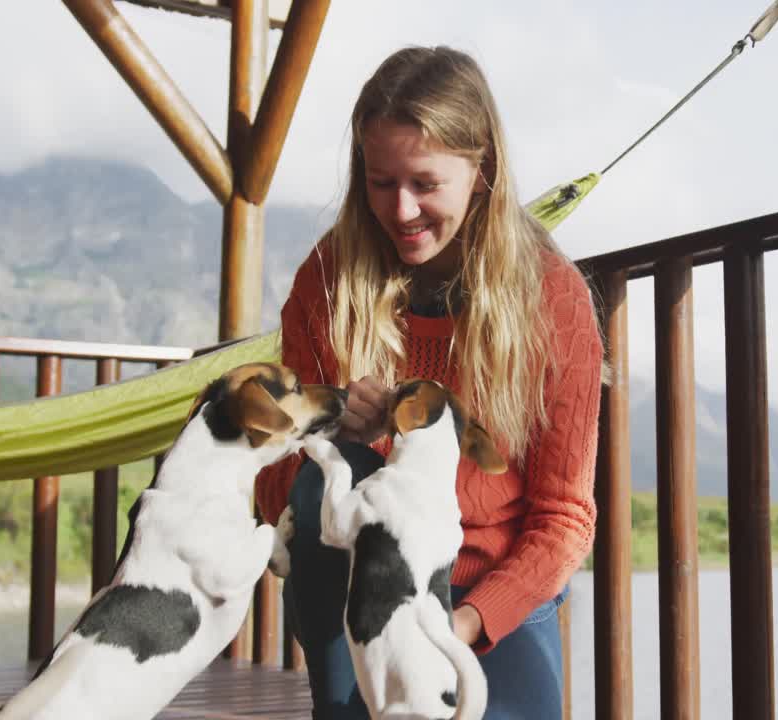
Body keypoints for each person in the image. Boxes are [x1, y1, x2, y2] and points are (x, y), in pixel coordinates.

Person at [254, 45, 604, 719]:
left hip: (488, 593)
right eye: (380, 183)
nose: (402, 209)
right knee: (334, 466)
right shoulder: (326, 282)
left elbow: (563, 520)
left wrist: (462, 626)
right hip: (361, 597)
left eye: (424, 182)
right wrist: (326, 433)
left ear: (482, 171)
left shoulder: (552, 300)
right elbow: (278, 487)